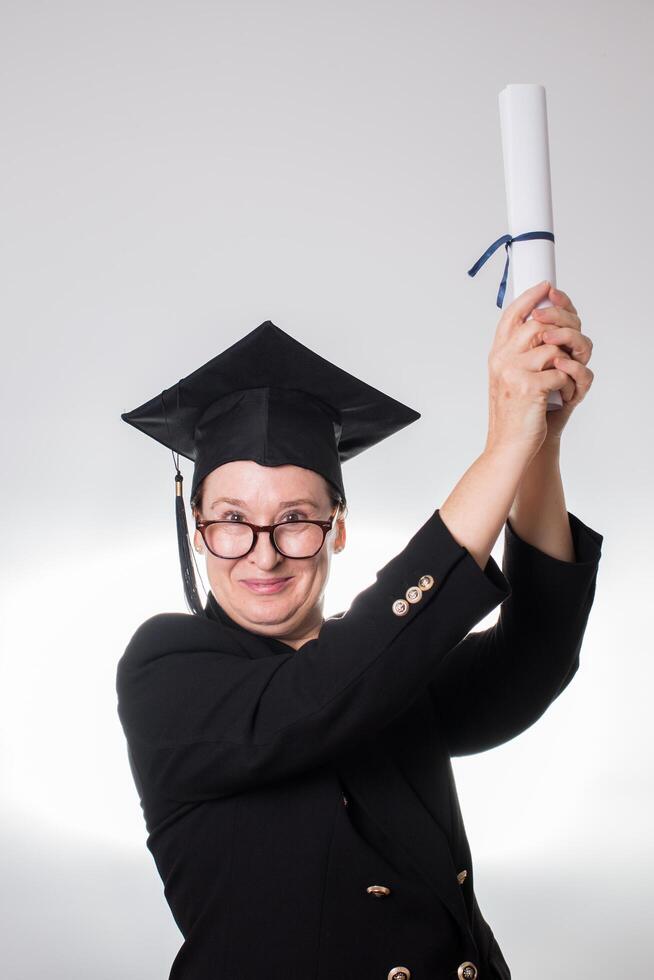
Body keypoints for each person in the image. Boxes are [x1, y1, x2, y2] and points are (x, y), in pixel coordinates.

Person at [116, 280, 603, 980]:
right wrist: (500, 446)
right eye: (230, 519)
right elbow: (325, 691)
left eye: (295, 519)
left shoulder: (394, 667)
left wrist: (539, 448)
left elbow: (535, 657)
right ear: (198, 532)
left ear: (337, 529)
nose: (263, 550)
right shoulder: (166, 669)